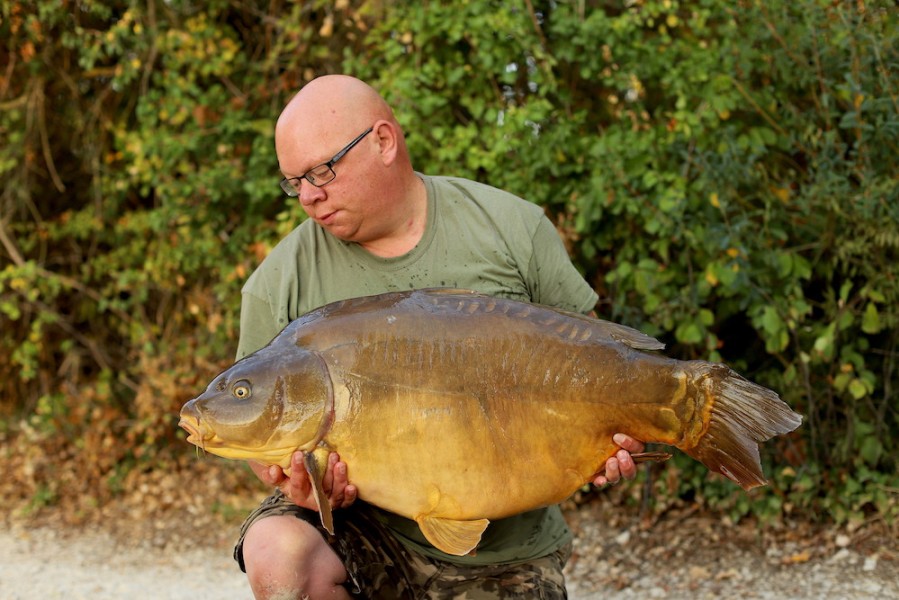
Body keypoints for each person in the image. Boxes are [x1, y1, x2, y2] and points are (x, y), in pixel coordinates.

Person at [233, 74, 646, 599]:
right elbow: (254, 428)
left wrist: (615, 436)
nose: (310, 197)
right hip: (360, 527)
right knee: (277, 550)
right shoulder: (279, 283)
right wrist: (300, 485)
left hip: (503, 547)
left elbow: (602, 366)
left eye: (322, 171)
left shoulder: (511, 230)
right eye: (295, 182)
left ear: (384, 141)